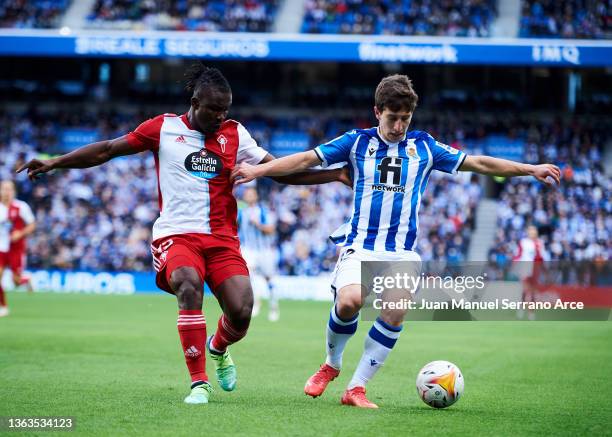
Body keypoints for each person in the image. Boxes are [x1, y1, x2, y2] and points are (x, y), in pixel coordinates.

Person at [17, 63, 351, 404]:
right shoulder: (162, 129)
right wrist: (55, 161)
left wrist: (335, 175)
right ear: (195, 102)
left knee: (242, 310)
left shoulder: (236, 134)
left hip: (221, 240)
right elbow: (107, 150)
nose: (221, 116)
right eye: (214, 109)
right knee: (188, 284)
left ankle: (218, 348)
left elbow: (280, 172)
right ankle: (199, 383)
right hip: (176, 235)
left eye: (225, 110)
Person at [231, 74, 561, 409]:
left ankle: (356, 388)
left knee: (396, 308)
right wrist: (258, 172)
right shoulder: (355, 143)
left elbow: (477, 162)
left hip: (401, 250)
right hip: (360, 245)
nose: (399, 126)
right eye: (393, 118)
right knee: (349, 302)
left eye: (406, 119)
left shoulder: (425, 147)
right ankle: (332, 363)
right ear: (378, 112)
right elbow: (306, 159)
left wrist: (528, 168)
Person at [238, 186, 280, 321]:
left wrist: (258, 224)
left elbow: (271, 230)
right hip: (248, 249)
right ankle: (256, 304)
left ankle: (274, 306)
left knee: (269, 278)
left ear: (256, 196)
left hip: (264, 250)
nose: (249, 196)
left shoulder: (263, 211)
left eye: (252, 194)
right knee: (250, 276)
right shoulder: (241, 212)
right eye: (247, 194)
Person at [0, 180, 36, 317]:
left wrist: (20, 233)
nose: (6, 192)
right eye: (4, 189)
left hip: (16, 248)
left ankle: (26, 280)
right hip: (1, 248)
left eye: (9, 189)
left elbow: (32, 224)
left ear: (14, 191)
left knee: (16, 282)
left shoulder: (21, 207)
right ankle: (3, 307)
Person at [513, 225, 548, 320]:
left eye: (534, 231)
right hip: (525, 266)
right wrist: (515, 264)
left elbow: (542, 256)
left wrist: (544, 269)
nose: (532, 233)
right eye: (530, 231)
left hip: (535, 268)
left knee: (532, 291)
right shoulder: (523, 242)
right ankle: (522, 307)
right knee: (525, 290)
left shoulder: (540, 243)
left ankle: (531, 312)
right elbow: (518, 255)